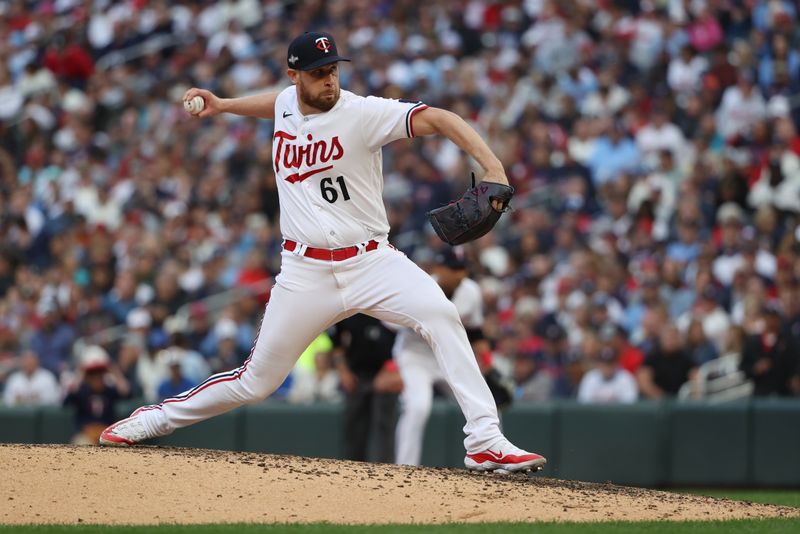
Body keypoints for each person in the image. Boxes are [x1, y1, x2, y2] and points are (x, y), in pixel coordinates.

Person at [98, 31, 545, 473]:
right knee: (257, 381)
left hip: (372, 261)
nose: (329, 81)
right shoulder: (286, 103)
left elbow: (442, 119)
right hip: (304, 273)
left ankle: (485, 440)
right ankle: (153, 419)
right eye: (317, 74)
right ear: (295, 76)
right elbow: (276, 104)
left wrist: (493, 166)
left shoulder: (363, 113)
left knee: (442, 315)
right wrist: (225, 105)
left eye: (332, 70)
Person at [394, 248, 501, 466]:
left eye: (462, 269)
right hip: (416, 357)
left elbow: (475, 330)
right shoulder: (419, 288)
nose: (459, 274)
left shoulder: (471, 292)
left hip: (447, 357)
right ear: (439, 269)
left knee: (485, 403)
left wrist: (488, 364)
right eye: (454, 269)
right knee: (418, 406)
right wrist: (389, 366)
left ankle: (495, 459)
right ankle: (405, 467)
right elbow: (388, 327)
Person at [331, 313, 399, 462]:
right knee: (354, 430)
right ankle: (351, 472)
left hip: (386, 375)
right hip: (356, 376)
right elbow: (336, 344)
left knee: (384, 429)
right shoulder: (348, 311)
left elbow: (403, 341)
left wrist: (391, 369)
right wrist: (344, 372)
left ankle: (385, 473)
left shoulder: (388, 308)